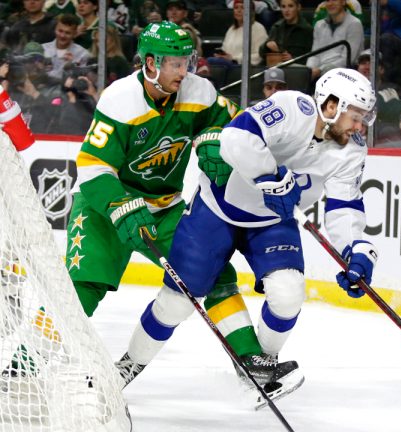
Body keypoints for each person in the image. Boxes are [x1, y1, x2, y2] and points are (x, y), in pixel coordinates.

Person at [118, 68, 379, 405]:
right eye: (356, 116)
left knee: (288, 293)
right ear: (330, 105)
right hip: (217, 210)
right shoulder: (291, 107)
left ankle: (259, 370)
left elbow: (345, 204)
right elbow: (236, 136)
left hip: (273, 220)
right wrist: (268, 177)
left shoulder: (351, 149)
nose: (360, 127)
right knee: (177, 302)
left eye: (364, 119)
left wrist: (354, 249)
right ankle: (126, 366)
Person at [59, 22, 265, 387]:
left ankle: (250, 360)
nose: (184, 71)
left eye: (187, 61)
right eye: (175, 63)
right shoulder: (120, 98)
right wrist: (120, 204)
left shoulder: (198, 91)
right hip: (103, 207)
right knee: (80, 289)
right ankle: (25, 361)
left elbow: (230, 120)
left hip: (164, 206)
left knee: (214, 271)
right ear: (151, 63)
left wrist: (214, 138)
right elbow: (92, 166)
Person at [305, 0, 363, 80]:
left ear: (343, 2)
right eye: (328, 1)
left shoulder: (355, 24)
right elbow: (314, 55)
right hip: (318, 74)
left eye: (334, 0)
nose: (331, 3)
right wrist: (309, 71)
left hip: (343, 75)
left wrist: (320, 70)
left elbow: (347, 60)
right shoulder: (319, 25)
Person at [211, 0, 268, 67]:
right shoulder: (232, 29)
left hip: (244, 67)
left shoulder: (258, 28)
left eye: (242, 8)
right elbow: (225, 50)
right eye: (236, 7)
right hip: (228, 64)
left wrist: (234, 58)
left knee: (211, 61)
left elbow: (259, 55)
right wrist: (221, 56)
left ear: (251, 11)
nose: (238, 11)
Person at [259, 0, 314, 67]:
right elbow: (261, 53)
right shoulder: (277, 27)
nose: (286, 10)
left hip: (296, 69)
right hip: (275, 67)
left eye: (290, 6)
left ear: (298, 7)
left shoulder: (307, 30)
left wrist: (293, 59)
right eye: (283, 7)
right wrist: (266, 45)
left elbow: (313, 57)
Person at [42, 13, 91, 80]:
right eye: (60, 31)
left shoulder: (83, 54)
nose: (62, 36)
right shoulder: (43, 49)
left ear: (74, 34)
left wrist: (71, 66)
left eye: (67, 33)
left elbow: (81, 81)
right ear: (55, 29)